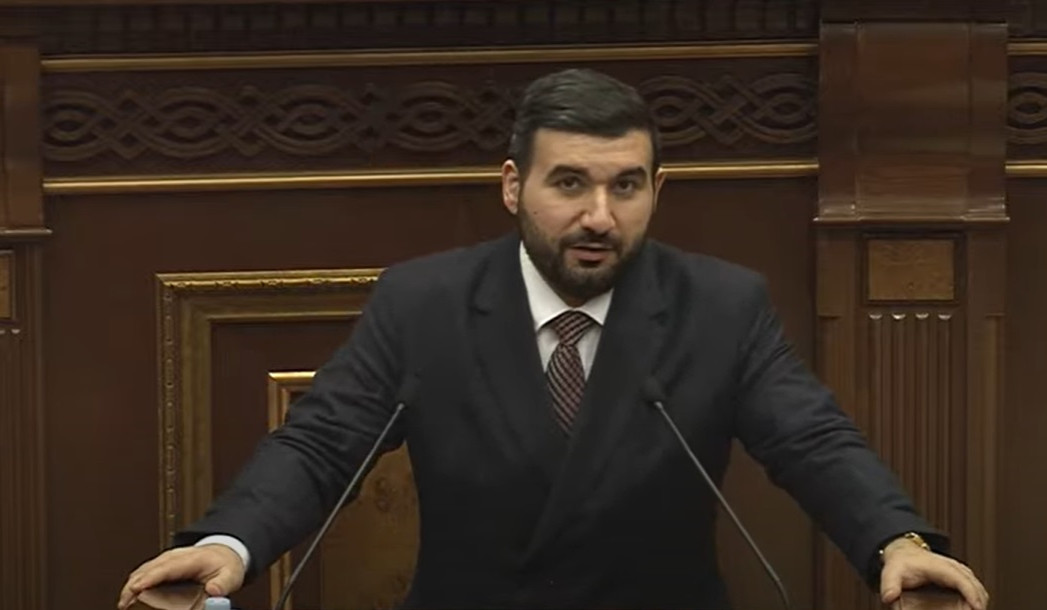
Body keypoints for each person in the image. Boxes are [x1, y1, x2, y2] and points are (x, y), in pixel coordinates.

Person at [118, 68, 989, 610]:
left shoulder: (720, 306)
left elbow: (811, 440)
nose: (599, 217)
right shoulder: (424, 303)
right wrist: (227, 545)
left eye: (625, 187)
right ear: (513, 186)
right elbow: (320, 445)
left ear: (656, 191)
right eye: (569, 183)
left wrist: (896, 543)